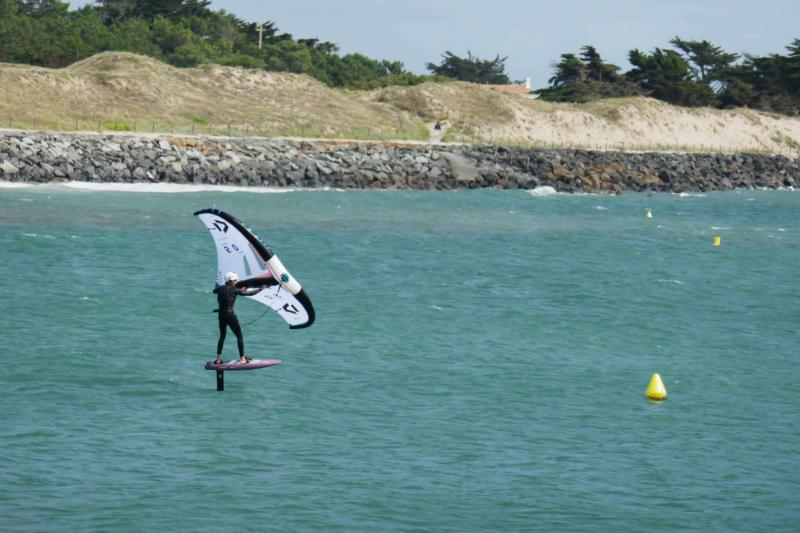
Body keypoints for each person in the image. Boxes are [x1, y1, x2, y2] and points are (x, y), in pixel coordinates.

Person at [212, 272, 264, 365]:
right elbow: (250, 293)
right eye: (235, 280)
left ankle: (218, 359)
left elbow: (215, 290)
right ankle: (242, 359)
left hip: (221, 315)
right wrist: (261, 288)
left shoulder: (220, 289)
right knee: (239, 335)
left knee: (222, 336)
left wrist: (241, 289)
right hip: (230, 316)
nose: (237, 282)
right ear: (231, 280)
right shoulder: (234, 290)